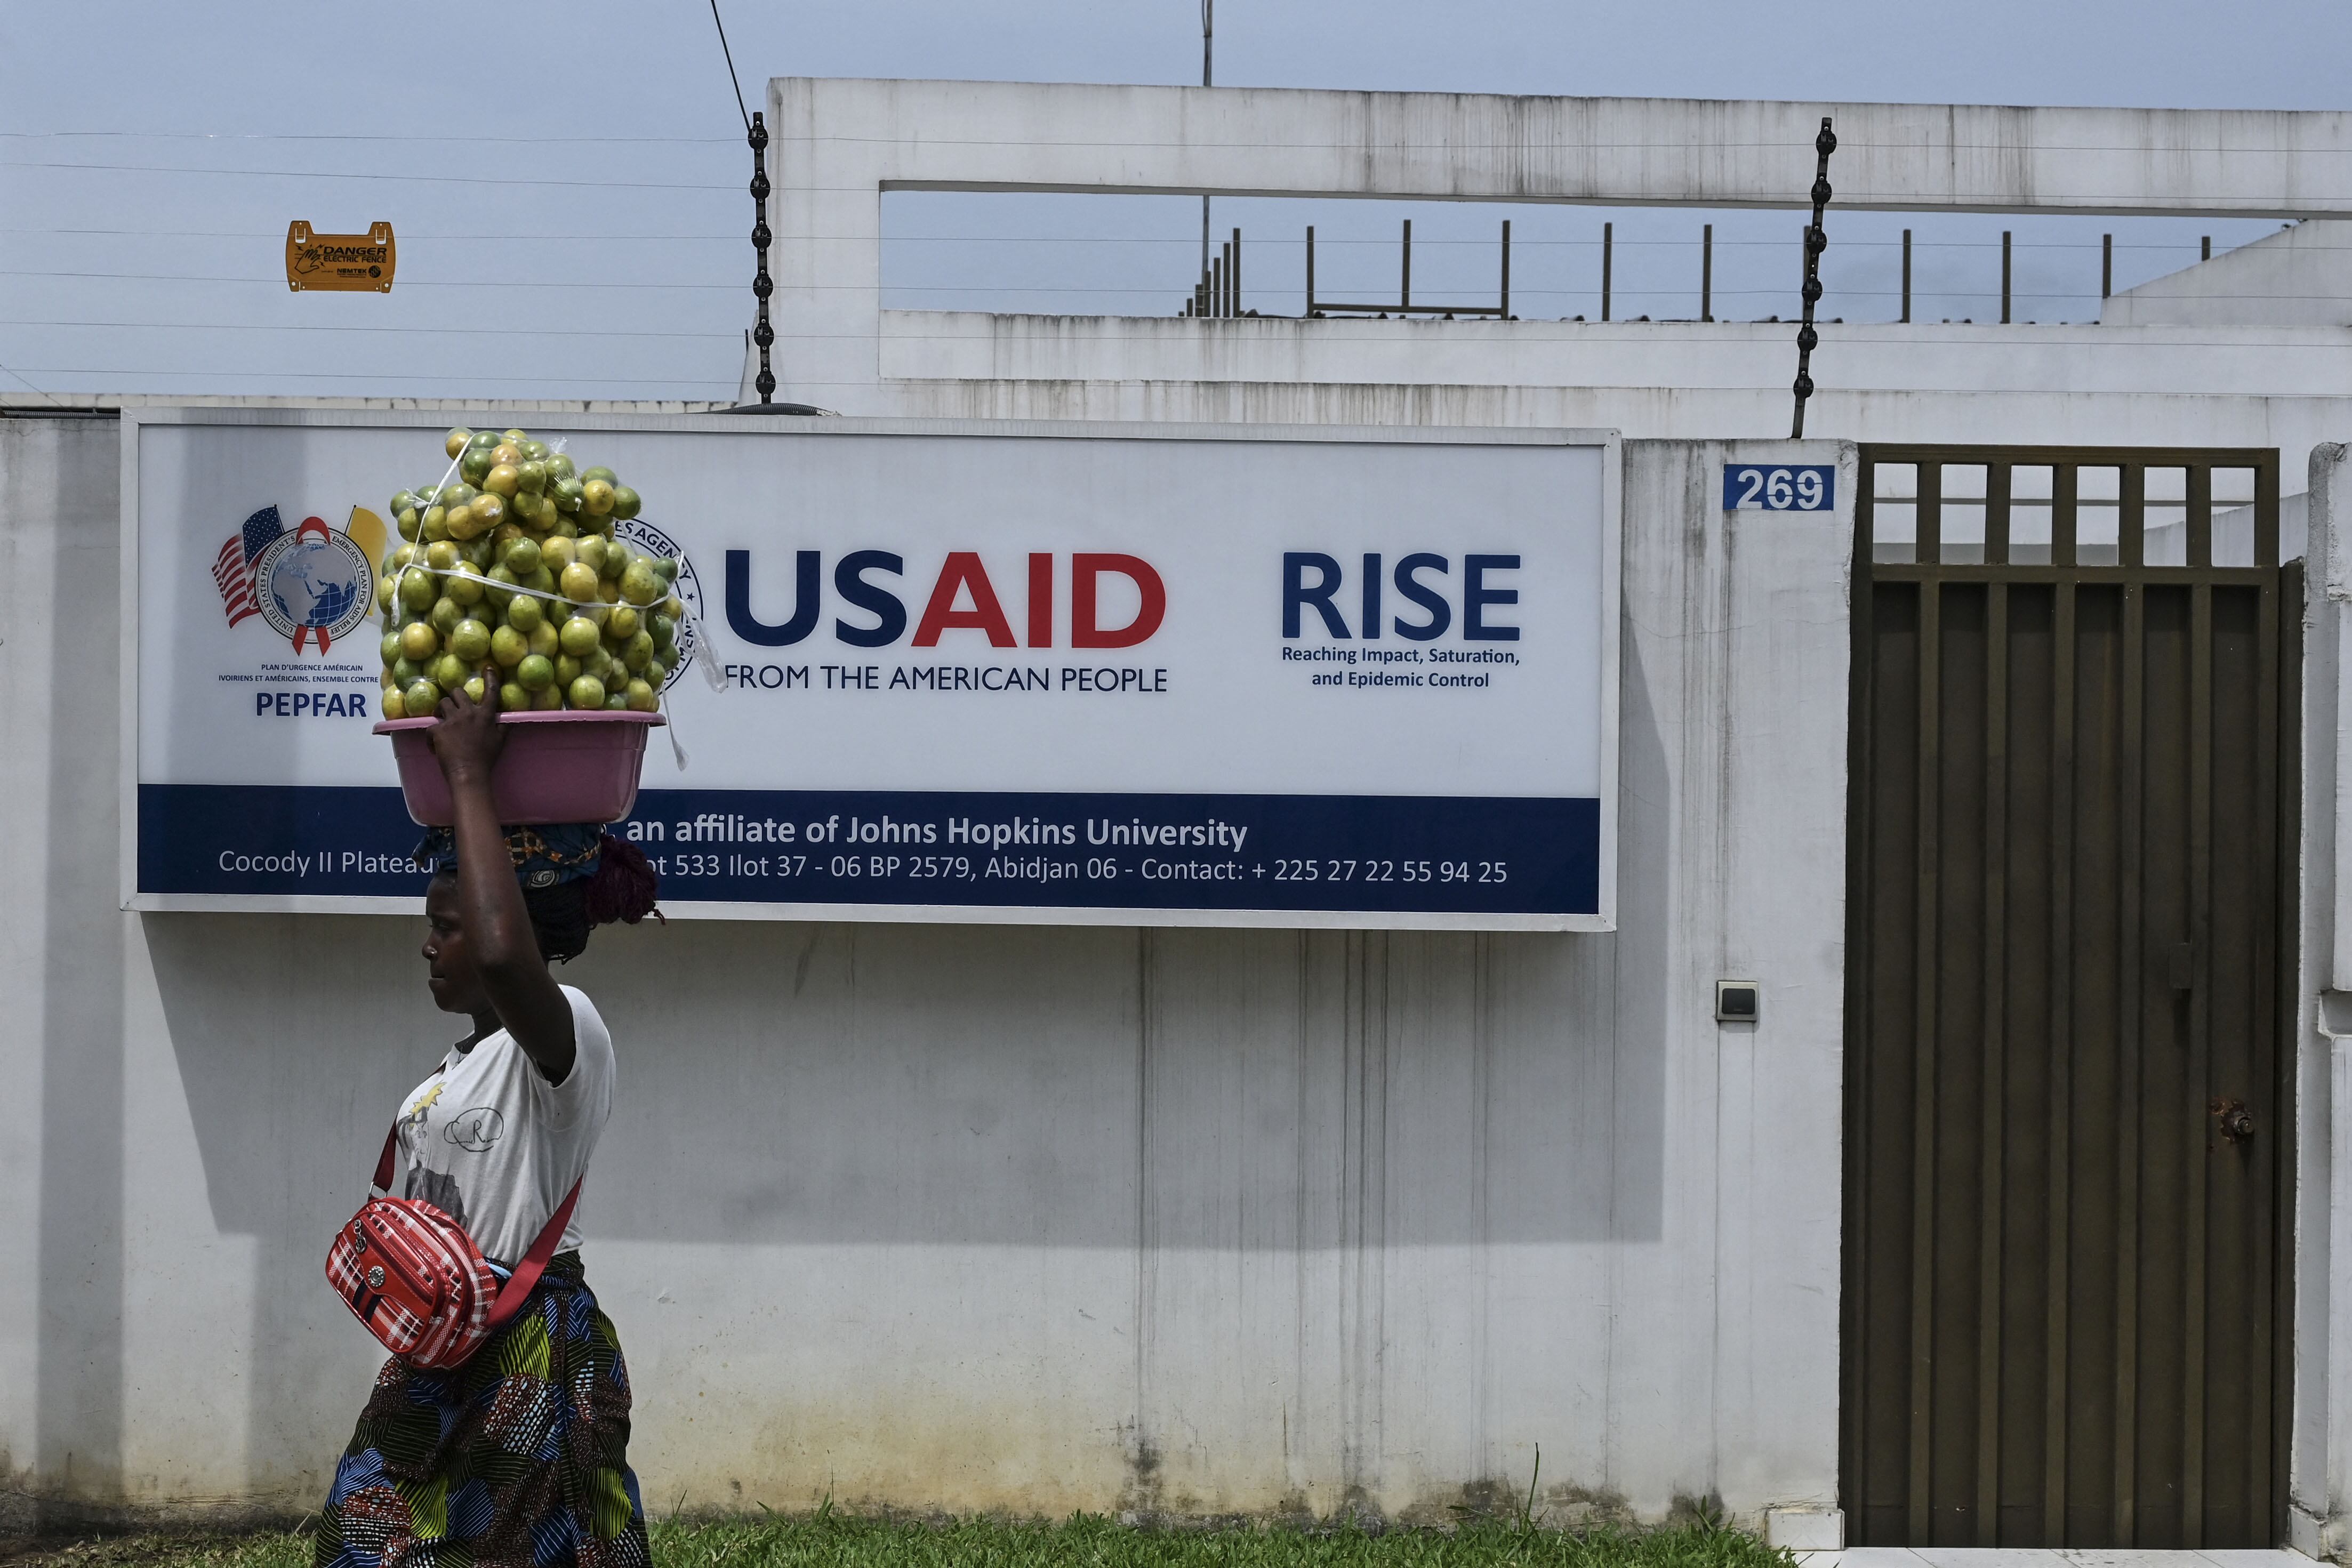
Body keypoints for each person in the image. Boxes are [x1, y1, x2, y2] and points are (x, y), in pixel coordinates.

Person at [315, 691, 660, 1568]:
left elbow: (509, 957)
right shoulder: (456, 1064)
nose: (429, 946)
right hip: (442, 1346)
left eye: (446, 927)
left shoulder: (563, 1035)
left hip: (531, 1342)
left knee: (525, 1550)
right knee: (363, 1530)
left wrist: (467, 771)